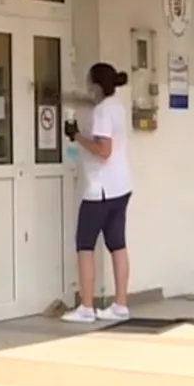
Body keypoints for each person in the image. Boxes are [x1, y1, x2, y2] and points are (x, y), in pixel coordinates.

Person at [60, 62, 133, 323]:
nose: (87, 88)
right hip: (121, 187)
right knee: (117, 244)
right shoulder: (116, 105)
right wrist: (68, 98)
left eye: (89, 84)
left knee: (85, 245)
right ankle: (120, 304)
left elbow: (104, 150)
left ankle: (87, 307)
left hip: (100, 189)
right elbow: (91, 102)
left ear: (97, 86)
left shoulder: (103, 111)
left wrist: (77, 136)